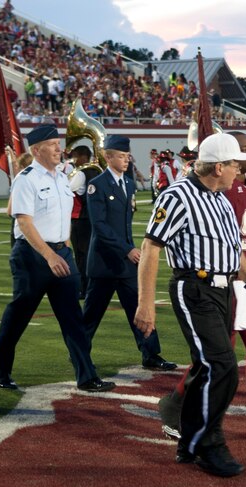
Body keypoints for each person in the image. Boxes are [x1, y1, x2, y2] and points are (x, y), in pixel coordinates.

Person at [135, 132, 246, 478]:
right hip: (195, 287)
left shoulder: (220, 198)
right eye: (235, 166)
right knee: (221, 366)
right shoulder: (178, 195)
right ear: (218, 166)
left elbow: (232, 248)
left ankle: (188, 439)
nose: (239, 173)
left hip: (227, 289)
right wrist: (146, 304)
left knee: (209, 366)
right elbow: (152, 246)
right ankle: (209, 443)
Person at [156, 132, 246, 445]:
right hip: (219, 282)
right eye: (239, 151)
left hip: (243, 279)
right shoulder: (216, 189)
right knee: (218, 357)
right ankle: (179, 406)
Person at [0, 124, 116, 393]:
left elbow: (62, 219)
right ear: (37, 150)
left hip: (60, 253)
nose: (60, 148)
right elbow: (24, 222)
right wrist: (49, 256)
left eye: (59, 144)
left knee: (73, 318)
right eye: (53, 145)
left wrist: (64, 249)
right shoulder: (26, 179)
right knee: (18, 316)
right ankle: (1, 369)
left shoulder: (62, 177)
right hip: (33, 256)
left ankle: (87, 376)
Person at [83, 135, 175, 371]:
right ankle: (80, 354)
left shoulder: (128, 183)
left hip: (126, 262)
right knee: (91, 316)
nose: (126, 160)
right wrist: (127, 250)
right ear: (108, 156)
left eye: (127, 156)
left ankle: (151, 354)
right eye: (121, 156)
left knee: (139, 307)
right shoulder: (97, 185)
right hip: (105, 262)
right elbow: (99, 226)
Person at [67, 145, 97, 297]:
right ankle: (90, 287)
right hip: (91, 218)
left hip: (79, 218)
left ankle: (83, 288)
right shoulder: (97, 170)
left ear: (84, 157)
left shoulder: (80, 173)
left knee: (81, 255)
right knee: (88, 254)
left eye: (76, 156)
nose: (74, 160)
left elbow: (66, 190)